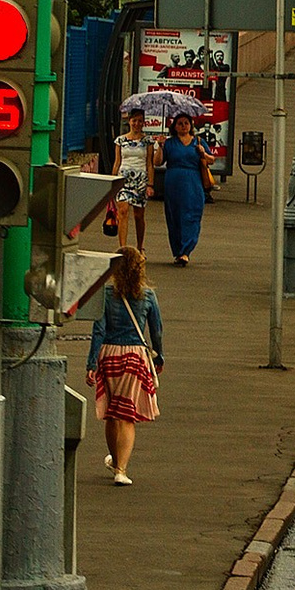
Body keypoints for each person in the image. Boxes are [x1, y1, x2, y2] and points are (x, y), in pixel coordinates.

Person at [86, 247, 162, 485]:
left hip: (109, 354)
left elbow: (98, 330)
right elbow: (156, 329)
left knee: (112, 413)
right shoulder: (147, 295)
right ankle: (121, 469)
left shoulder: (105, 294)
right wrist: (159, 357)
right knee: (127, 415)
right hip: (135, 357)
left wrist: (91, 363)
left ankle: (115, 460)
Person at [160, 116, 219, 265]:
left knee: (191, 214)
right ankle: (178, 251)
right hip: (173, 183)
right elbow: (158, 161)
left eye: (186, 123)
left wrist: (202, 154)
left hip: (192, 183)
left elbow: (211, 159)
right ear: (175, 126)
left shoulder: (197, 142)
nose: (183, 126)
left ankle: (186, 251)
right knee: (174, 216)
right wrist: (160, 146)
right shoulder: (169, 143)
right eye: (180, 124)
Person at [112, 109, 154, 251]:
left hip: (140, 180)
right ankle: (123, 249)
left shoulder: (148, 141)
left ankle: (140, 246)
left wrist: (150, 184)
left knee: (138, 215)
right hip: (123, 179)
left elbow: (150, 163)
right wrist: (112, 182)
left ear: (144, 123)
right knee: (122, 211)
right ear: (129, 121)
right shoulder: (120, 140)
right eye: (134, 120)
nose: (137, 124)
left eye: (140, 121)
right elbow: (117, 162)